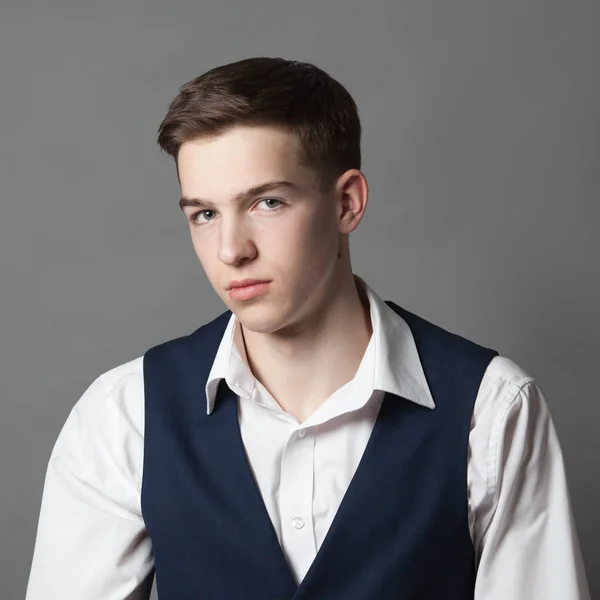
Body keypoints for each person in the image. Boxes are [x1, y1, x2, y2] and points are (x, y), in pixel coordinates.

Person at [25, 57, 591, 599]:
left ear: (347, 203)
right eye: (204, 214)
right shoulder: (124, 415)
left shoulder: (491, 410)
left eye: (267, 202)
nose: (231, 251)